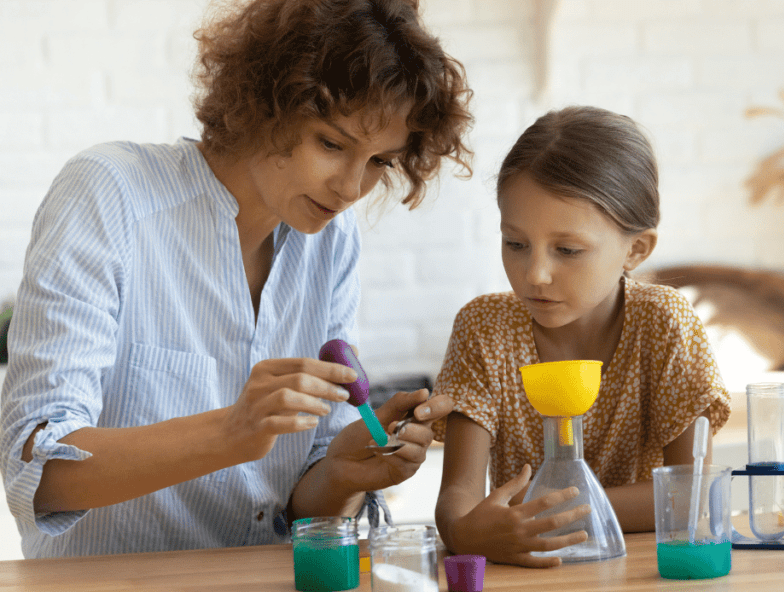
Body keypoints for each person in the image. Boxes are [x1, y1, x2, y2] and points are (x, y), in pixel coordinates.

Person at [0, 0, 472, 558]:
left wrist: (344, 473)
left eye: (379, 162)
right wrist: (229, 433)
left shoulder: (332, 243)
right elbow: (40, 474)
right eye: (331, 143)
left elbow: (296, 514)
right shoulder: (111, 195)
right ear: (267, 104)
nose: (350, 187)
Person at [431, 106, 731, 567]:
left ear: (636, 249)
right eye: (515, 244)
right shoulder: (484, 328)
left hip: (642, 575)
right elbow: (458, 503)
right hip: (525, 578)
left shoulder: (664, 323)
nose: (536, 274)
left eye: (567, 250)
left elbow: (690, 496)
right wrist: (464, 530)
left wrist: (527, 516)